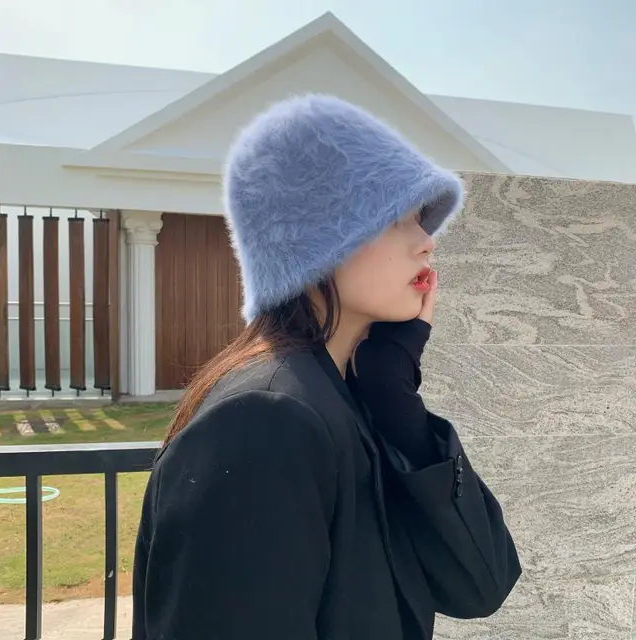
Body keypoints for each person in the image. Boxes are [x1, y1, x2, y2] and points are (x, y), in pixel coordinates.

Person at [131, 94, 522, 640]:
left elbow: (481, 583)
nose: (426, 243)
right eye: (396, 218)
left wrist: (395, 399)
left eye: (421, 220)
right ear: (312, 238)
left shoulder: (344, 400)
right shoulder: (265, 419)